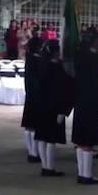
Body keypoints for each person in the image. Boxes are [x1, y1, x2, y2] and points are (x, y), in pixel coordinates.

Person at [72, 27, 98, 185]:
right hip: (93, 102)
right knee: (89, 140)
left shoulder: (79, 55)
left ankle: (82, 174)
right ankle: (86, 176)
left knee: (81, 140)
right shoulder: (95, 59)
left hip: (81, 100)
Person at [34, 40, 74, 177]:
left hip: (41, 105)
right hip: (54, 107)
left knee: (42, 137)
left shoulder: (42, 65)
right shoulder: (56, 68)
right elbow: (63, 89)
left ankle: (45, 166)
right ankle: (50, 167)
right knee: (51, 139)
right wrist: (63, 109)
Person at [21, 36, 44, 163]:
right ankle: (35, 152)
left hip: (30, 95)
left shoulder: (29, 59)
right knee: (35, 126)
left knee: (29, 126)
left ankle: (31, 152)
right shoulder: (37, 60)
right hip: (36, 95)